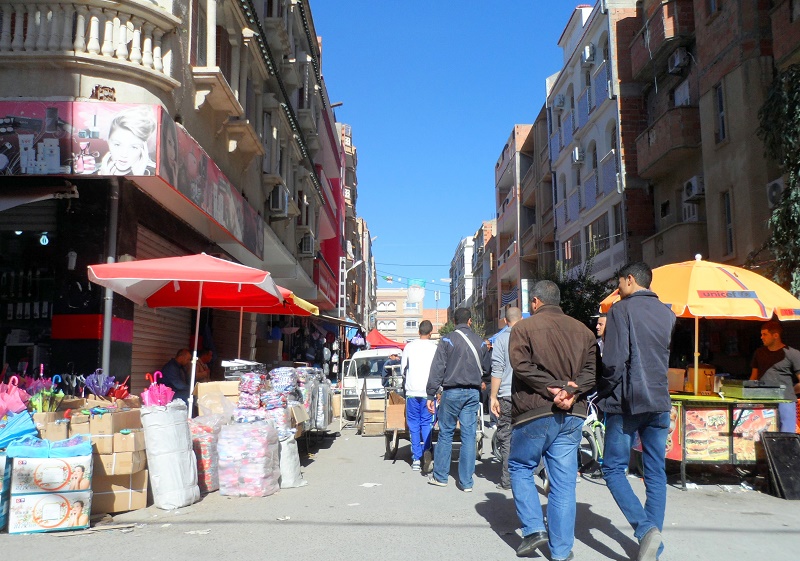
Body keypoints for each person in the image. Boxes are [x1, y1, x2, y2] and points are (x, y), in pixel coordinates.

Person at [507, 281, 596, 560]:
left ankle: (534, 529)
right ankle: (561, 552)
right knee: (563, 484)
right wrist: (571, 390)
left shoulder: (522, 327)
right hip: (572, 413)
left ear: (535, 302)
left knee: (520, 466)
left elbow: (521, 365)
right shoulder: (584, 330)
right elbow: (593, 372)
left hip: (535, 411)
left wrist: (553, 388)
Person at [598, 262, 676, 561]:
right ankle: (652, 550)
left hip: (627, 401)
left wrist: (602, 391)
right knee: (655, 471)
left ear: (631, 279)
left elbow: (615, 361)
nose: (617, 289)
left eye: (619, 282)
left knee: (613, 469)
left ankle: (645, 531)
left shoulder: (621, 310)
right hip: (659, 399)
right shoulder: (668, 312)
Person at [426, 307, 489, 491]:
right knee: (469, 435)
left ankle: (441, 477)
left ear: (454, 322)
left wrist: (431, 393)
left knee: (446, 433)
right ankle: (467, 482)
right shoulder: (481, 343)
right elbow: (486, 369)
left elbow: (438, 368)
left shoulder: (447, 340)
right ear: (470, 321)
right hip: (472, 393)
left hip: (451, 392)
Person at [489, 306, 522, 491]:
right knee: (531, 434)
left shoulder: (501, 339)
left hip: (507, 395)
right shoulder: (530, 335)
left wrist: (493, 396)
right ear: (521, 319)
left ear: (505, 321)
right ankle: (540, 471)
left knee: (507, 436)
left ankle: (507, 480)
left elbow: (497, 369)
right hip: (528, 396)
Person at [750, 320, 800, 433]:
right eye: (761, 334)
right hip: (762, 398)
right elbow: (753, 377)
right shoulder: (759, 353)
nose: (761, 337)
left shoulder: (792, 353)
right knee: (761, 432)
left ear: (776, 335)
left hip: (785, 401)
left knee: (787, 435)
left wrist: (789, 391)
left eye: (765, 334)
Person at [401, 320, 438, 473]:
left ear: (418, 331)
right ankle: (426, 453)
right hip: (429, 393)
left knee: (414, 425)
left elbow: (403, 370)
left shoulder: (409, 347)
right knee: (427, 424)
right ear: (431, 332)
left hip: (412, 392)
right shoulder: (435, 348)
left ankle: (416, 459)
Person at [98, 106, 157, 176]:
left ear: (144, 148)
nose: (124, 154)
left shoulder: (153, 174)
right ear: (108, 141)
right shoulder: (93, 172)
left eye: (134, 147)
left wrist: (139, 177)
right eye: (117, 145)